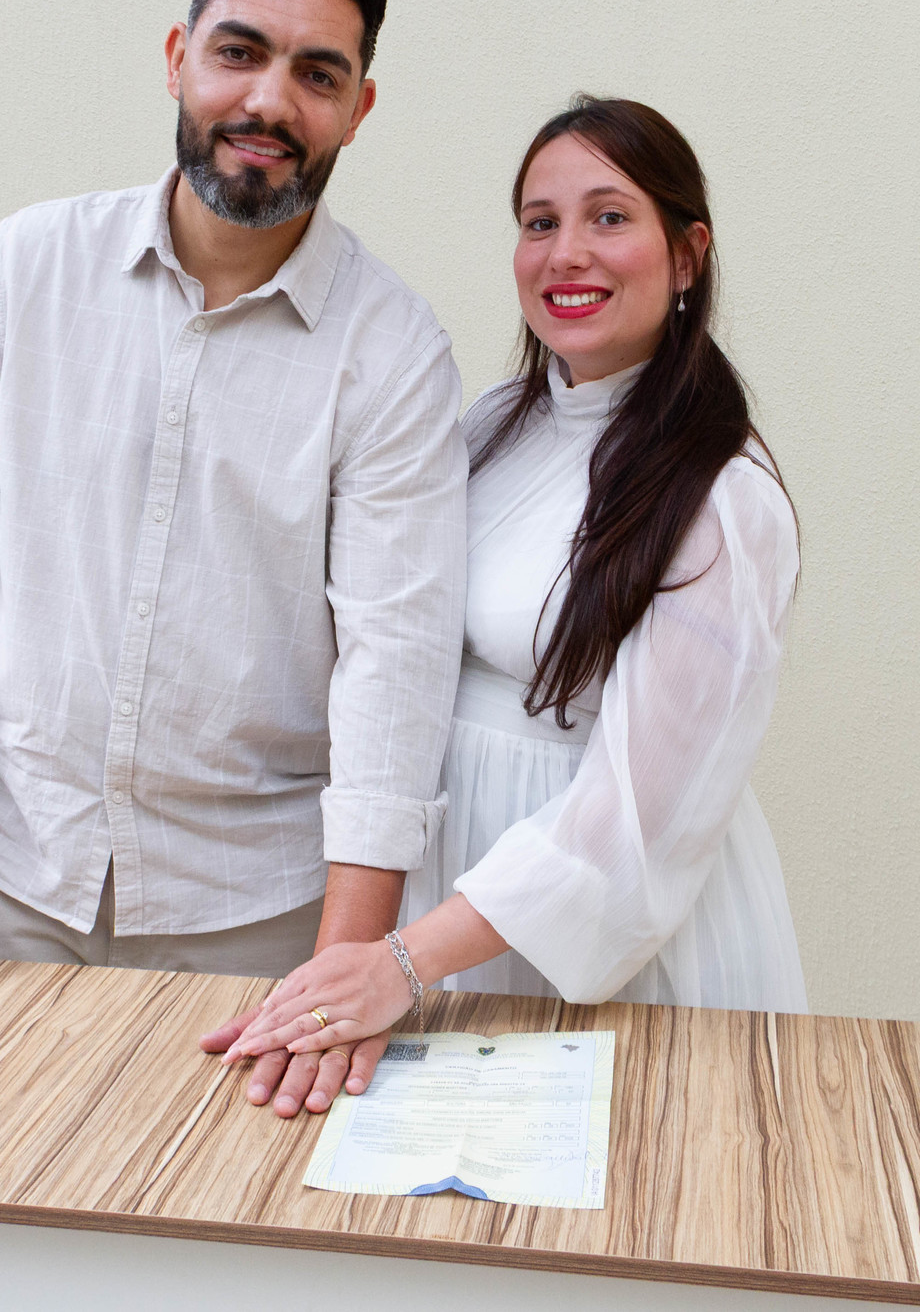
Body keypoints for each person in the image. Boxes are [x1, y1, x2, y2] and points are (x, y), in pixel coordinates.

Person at [0, 0, 467, 1120]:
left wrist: (346, 966)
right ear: (179, 56)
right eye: (240, 52)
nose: (269, 102)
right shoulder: (28, 266)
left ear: (358, 109)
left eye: (317, 74)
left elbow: (394, 665)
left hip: (250, 924)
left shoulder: (394, 353)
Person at [222, 96, 808, 1103]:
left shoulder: (724, 499)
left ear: (687, 254)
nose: (566, 252)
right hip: (447, 922)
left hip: (603, 940)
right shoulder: (493, 427)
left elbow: (636, 828)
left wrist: (402, 962)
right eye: (540, 222)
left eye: (609, 217)